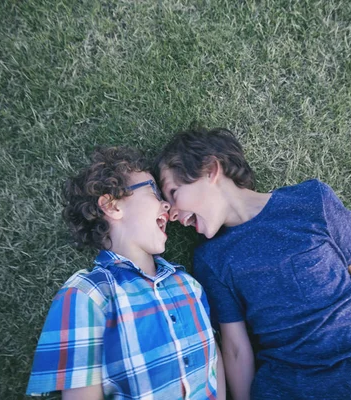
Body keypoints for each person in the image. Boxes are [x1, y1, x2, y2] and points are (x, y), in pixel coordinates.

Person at [155, 128, 351, 400]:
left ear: (211, 169)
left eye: (174, 193)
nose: (173, 214)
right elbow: (236, 348)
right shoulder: (212, 258)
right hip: (283, 387)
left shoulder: (310, 202)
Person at [26, 146, 224, 400]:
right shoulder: (86, 295)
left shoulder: (189, 286)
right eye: (154, 191)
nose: (167, 204)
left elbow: (215, 365)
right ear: (112, 206)